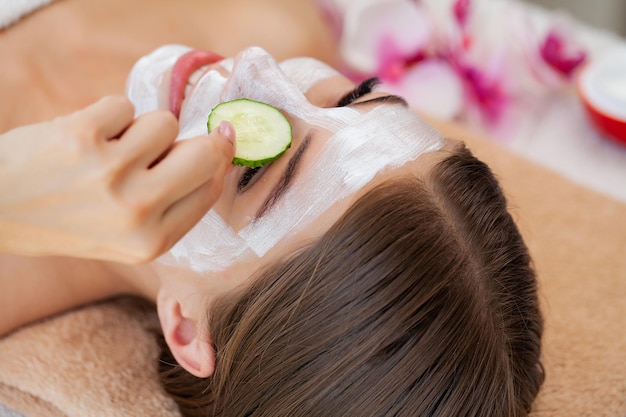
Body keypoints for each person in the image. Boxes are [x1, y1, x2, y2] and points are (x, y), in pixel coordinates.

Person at [0, 1, 544, 416]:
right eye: (354, 99)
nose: (257, 63)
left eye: (255, 168)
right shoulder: (281, 19)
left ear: (188, 328)